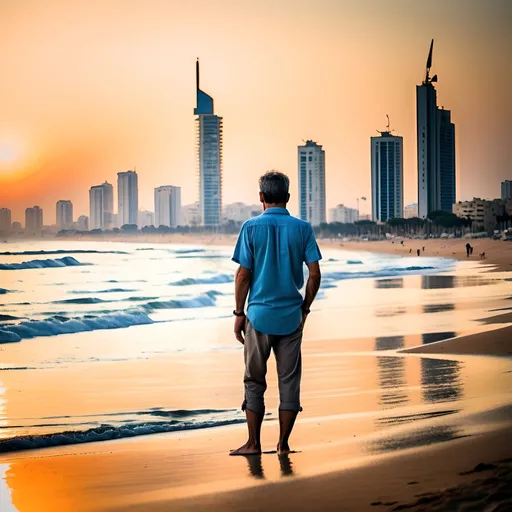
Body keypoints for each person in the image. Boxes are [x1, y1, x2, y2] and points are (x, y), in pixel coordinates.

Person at [230, 171, 322, 456]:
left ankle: (253, 444)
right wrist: (304, 307)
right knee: (289, 381)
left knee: (254, 380)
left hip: (258, 317)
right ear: (288, 197)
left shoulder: (251, 227)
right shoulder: (302, 228)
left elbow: (243, 276)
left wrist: (238, 313)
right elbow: (315, 274)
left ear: (261, 197)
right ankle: (283, 444)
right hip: (291, 317)